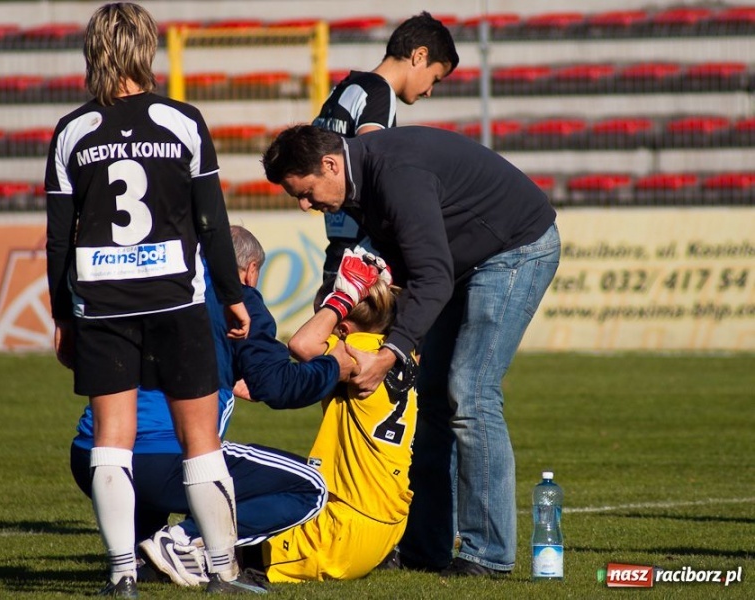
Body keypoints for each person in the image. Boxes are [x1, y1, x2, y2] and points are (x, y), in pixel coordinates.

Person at [261, 124, 561, 578]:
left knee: (471, 394)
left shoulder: (396, 175)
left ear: (329, 165)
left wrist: (390, 353)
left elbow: (433, 275)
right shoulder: (363, 180)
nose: (305, 206)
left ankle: (489, 555)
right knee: (432, 398)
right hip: (465, 260)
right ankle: (426, 546)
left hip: (515, 249)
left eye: (304, 193)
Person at [45, 4, 251, 596]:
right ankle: (221, 573)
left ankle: (122, 575)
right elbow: (213, 223)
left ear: (94, 52)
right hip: (175, 300)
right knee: (201, 439)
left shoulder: (72, 131)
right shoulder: (183, 121)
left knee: (113, 436)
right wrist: (232, 297)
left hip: (103, 303)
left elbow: (60, 237)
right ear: (147, 50)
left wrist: (63, 315)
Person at [72, 227, 353, 592]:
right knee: (310, 487)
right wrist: (334, 367)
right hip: (163, 458)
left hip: (90, 455)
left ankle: (140, 558)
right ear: (251, 271)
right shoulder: (238, 297)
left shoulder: (152, 282)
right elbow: (279, 386)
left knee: (164, 459)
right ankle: (183, 540)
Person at [150, 251, 417, 584]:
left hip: (341, 531)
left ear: (344, 326)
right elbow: (313, 377)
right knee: (268, 479)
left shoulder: (356, 347)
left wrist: (340, 299)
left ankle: (180, 543)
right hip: (387, 524)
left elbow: (303, 345)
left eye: (325, 317)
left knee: (233, 489)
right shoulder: (397, 351)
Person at [312, 11, 459, 282]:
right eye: (435, 78)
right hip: (362, 252)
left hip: (337, 247)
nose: (429, 91)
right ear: (419, 56)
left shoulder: (343, 89)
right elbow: (374, 165)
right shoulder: (380, 93)